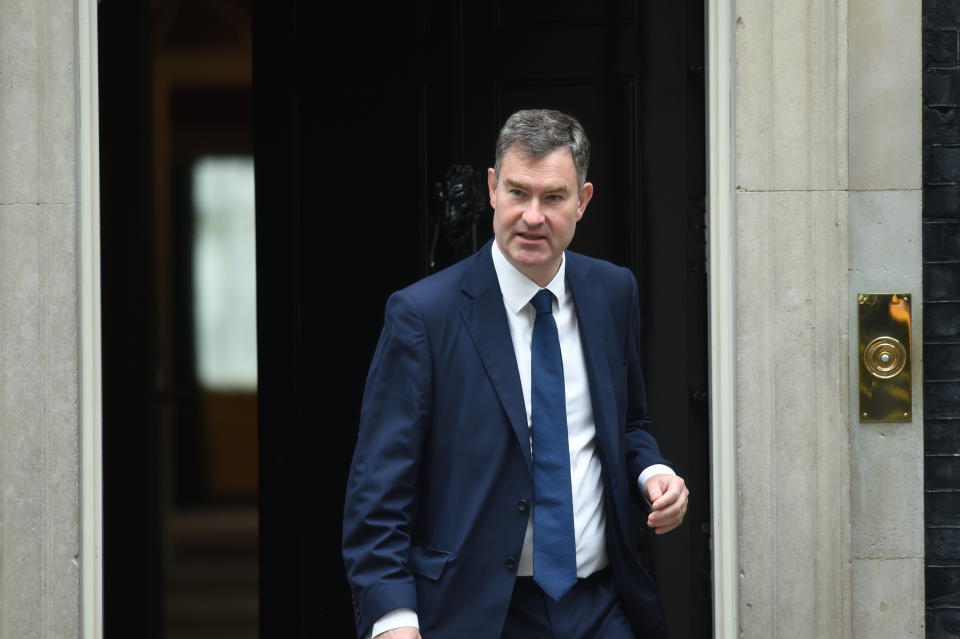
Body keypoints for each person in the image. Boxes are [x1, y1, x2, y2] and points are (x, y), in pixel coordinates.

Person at [342, 109, 689, 639]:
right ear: (491, 189)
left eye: (552, 197)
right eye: (517, 193)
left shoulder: (614, 293)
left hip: (599, 606)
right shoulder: (423, 316)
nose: (532, 216)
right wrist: (393, 619)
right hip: (476, 614)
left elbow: (629, 425)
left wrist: (652, 473)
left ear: (583, 201)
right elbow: (378, 494)